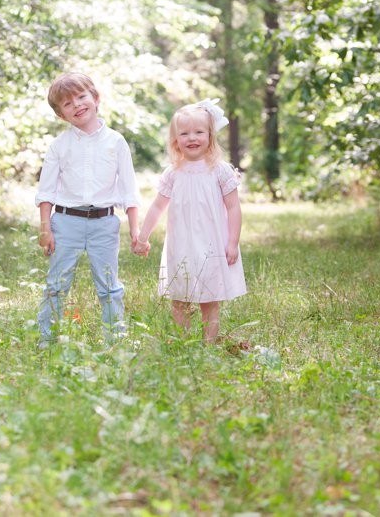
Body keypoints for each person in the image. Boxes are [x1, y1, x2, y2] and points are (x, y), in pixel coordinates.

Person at [35, 72, 139, 348]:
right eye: (67, 104)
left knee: (109, 286)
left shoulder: (116, 142)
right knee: (56, 284)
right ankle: (47, 338)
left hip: (104, 223)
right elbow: (46, 192)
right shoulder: (59, 146)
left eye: (81, 97)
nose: (77, 105)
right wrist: (46, 228)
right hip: (66, 221)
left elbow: (129, 191)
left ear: (95, 98)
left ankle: (114, 339)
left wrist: (136, 230)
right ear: (61, 115)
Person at [134, 100, 246, 342]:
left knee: (210, 296)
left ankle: (209, 344)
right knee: (180, 297)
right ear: (176, 140)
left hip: (212, 242)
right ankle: (182, 342)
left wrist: (232, 242)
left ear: (210, 135)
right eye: (184, 133)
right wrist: (143, 237)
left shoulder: (220, 170)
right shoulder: (173, 173)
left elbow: (234, 207)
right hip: (182, 243)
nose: (192, 138)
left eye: (198, 132)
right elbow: (157, 207)